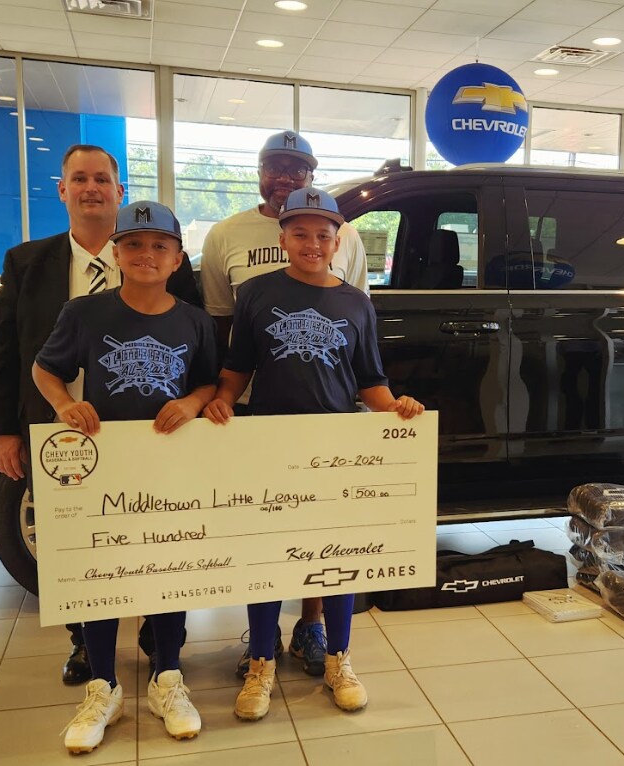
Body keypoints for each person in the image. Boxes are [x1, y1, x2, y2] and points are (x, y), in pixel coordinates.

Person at [0, 144, 200, 686]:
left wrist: (195, 403)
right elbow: (4, 351)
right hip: (61, 433)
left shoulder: (165, 258)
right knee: (73, 543)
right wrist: (3, 431)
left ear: (119, 191)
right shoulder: (26, 263)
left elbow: (196, 343)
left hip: (151, 431)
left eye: (102, 178)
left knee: (159, 532)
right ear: (63, 190)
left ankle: (160, 635)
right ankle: (86, 643)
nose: (91, 188)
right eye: (79, 178)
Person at [203, 187, 424, 721]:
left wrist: (396, 408)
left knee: (338, 559)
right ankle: (260, 661)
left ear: (338, 241)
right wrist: (222, 401)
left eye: (323, 234)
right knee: (266, 561)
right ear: (282, 240)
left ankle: (339, 660)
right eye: (299, 233)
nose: (311, 242)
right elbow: (239, 366)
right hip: (270, 443)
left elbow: (369, 380)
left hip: (335, 447)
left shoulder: (355, 302)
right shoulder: (256, 293)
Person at [32, 200, 218, 751]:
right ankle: (103, 685)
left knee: (167, 567)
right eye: (134, 244)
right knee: (102, 575)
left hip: (170, 463)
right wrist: (65, 406)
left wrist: (191, 401)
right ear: (116, 253)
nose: (146, 254)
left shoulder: (195, 320)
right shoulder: (85, 314)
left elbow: (211, 383)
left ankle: (167, 676)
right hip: (105, 466)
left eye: (160, 245)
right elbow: (45, 369)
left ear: (178, 257)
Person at [200, 129, 370, 678]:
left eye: (297, 167)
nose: (285, 175)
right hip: (263, 418)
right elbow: (226, 338)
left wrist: (401, 412)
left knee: (328, 540)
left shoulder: (351, 279)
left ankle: (317, 630)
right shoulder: (231, 243)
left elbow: (363, 361)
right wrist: (221, 396)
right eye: (275, 165)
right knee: (267, 539)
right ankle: (262, 647)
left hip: (331, 426)